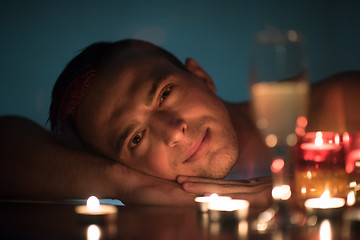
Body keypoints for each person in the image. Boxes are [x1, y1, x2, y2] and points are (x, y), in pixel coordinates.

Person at [0, 39, 359, 207]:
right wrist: (124, 185)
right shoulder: (146, 194)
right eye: (136, 139)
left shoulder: (340, 108)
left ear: (201, 77)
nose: (172, 130)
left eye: (165, 94)